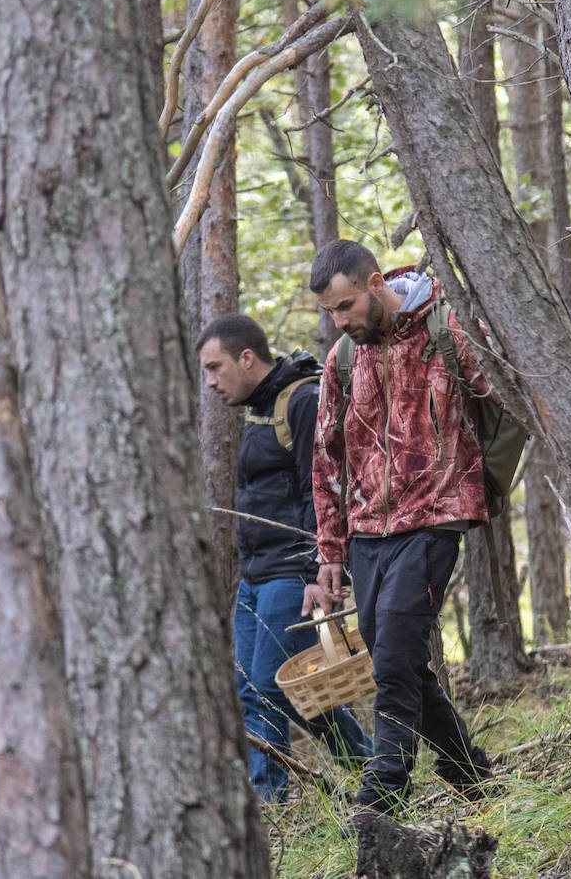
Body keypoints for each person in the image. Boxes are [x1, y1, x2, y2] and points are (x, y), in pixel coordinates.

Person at [303, 239, 493, 815]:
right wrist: (330, 550)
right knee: (397, 653)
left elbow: (505, 403)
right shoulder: (342, 360)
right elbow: (326, 457)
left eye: (346, 306)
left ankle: (385, 788)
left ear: (376, 282)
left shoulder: (448, 331)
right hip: (367, 533)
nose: (340, 321)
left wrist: (479, 482)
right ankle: (470, 773)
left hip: (436, 518)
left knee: (391, 658)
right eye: (331, 312)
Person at [197, 313, 371, 805]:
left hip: (290, 573)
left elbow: (324, 491)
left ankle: (367, 766)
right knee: (249, 687)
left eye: (215, 368)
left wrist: (318, 570)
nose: (210, 381)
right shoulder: (261, 405)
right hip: (254, 577)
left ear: (247, 358)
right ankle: (272, 802)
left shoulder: (302, 401)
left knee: (279, 686)